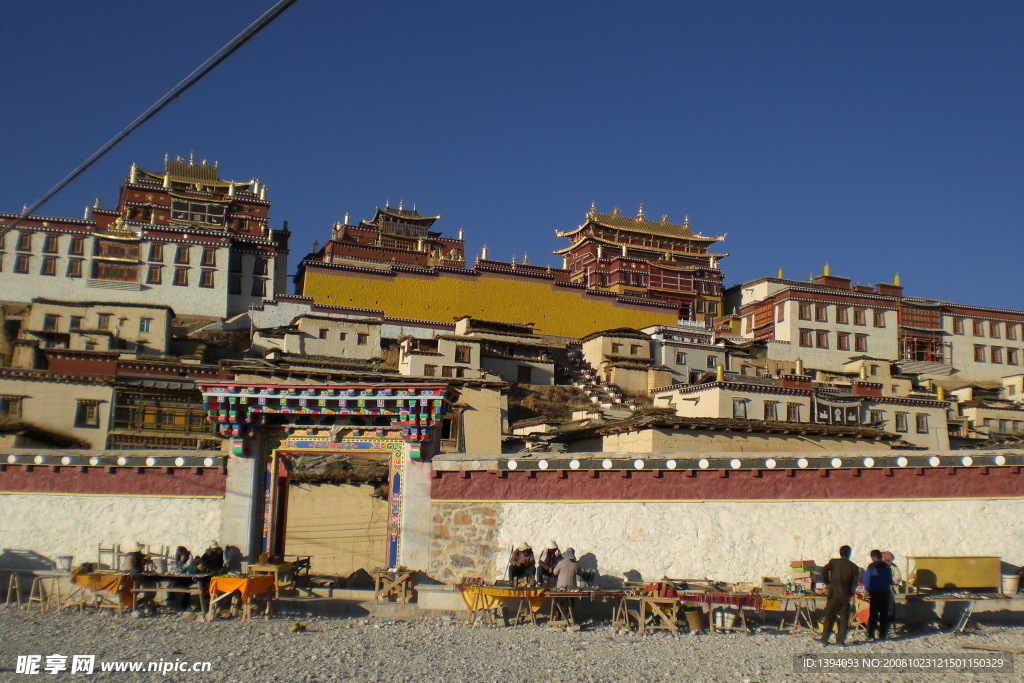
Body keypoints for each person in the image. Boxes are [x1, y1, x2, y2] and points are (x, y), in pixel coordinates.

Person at [820, 545, 860, 646]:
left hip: (833, 594)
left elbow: (823, 570)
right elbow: (854, 584)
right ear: (849, 554)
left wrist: (828, 582)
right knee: (844, 619)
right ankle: (840, 640)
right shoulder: (854, 567)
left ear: (840, 553)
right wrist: (850, 593)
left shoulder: (834, 562)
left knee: (829, 617)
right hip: (845, 596)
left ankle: (824, 639)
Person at [862, 549, 893, 641]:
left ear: (873, 557)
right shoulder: (887, 567)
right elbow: (890, 580)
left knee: (873, 614)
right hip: (886, 593)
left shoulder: (871, 567)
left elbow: (866, 581)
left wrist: (868, 590)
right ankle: (883, 634)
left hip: (875, 593)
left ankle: (871, 635)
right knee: (884, 614)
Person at [882, 551, 902, 624]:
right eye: (887, 560)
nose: (889, 562)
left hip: (891, 589)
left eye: (890, 560)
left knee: (890, 602)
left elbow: (898, 577)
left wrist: (890, 580)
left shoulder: (894, 567)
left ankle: (890, 618)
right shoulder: (879, 566)